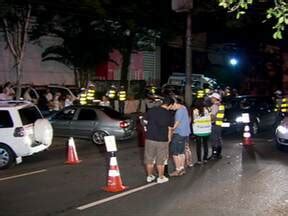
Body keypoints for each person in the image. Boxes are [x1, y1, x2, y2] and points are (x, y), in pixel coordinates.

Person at [143, 97, 174, 184]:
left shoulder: (152, 110)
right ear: (169, 105)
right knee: (161, 160)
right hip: (162, 140)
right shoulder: (169, 114)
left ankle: (149, 176)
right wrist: (169, 139)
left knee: (149, 158)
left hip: (150, 138)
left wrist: (147, 129)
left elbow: (144, 120)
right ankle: (160, 177)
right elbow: (170, 128)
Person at [169, 97, 191, 176]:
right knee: (181, 152)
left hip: (179, 134)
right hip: (185, 133)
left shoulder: (179, 111)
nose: (171, 108)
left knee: (175, 153)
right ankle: (182, 169)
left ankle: (178, 170)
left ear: (175, 103)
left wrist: (170, 128)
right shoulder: (184, 108)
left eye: (171, 106)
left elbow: (175, 125)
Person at [192, 98, 212, 165]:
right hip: (206, 130)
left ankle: (199, 160)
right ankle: (205, 159)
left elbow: (194, 120)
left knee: (198, 146)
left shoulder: (195, 111)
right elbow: (210, 119)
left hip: (198, 131)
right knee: (205, 144)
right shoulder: (208, 109)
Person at [209, 92, 225, 160]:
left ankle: (214, 154)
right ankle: (218, 154)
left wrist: (207, 118)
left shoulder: (214, 106)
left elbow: (212, 117)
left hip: (214, 124)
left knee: (214, 140)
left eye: (212, 98)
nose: (211, 99)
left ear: (215, 98)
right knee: (218, 139)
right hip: (219, 124)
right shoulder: (221, 105)